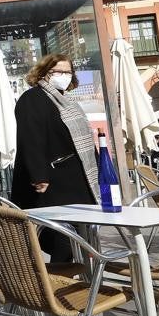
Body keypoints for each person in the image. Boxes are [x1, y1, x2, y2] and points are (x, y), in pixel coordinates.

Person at [11, 54, 99, 262]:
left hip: (77, 181)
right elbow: (30, 138)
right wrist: (39, 175)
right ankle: (61, 287)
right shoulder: (33, 98)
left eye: (68, 72)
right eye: (58, 71)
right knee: (62, 239)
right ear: (44, 73)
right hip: (53, 182)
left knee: (83, 238)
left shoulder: (67, 102)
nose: (64, 76)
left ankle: (84, 281)